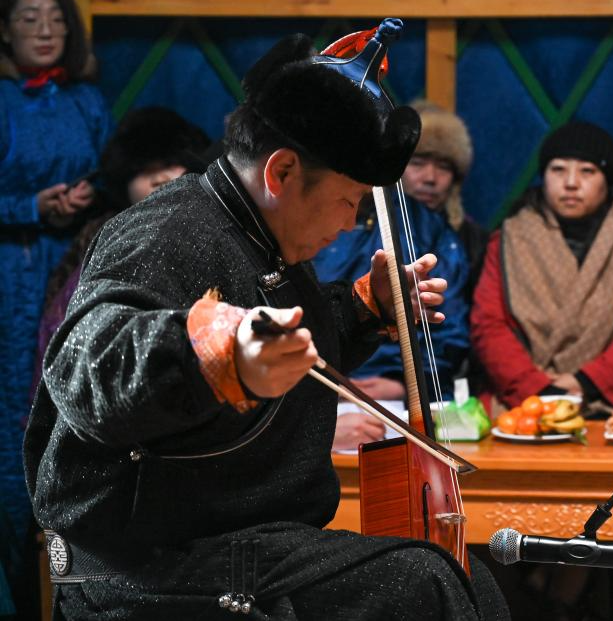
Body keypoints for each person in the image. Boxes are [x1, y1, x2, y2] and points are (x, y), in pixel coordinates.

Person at [24, 33, 506, 619]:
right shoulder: (166, 230)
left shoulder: (261, 234)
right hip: (147, 562)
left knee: (461, 576)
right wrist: (217, 352)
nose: (352, 224)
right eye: (350, 200)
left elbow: (285, 345)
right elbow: (83, 366)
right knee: (423, 585)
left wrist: (362, 309)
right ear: (282, 171)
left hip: (241, 540)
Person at [0, 0, 110, 615]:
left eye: (56, 20)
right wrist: (28, 205)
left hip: (68, 265)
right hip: (9, 268)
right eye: (29, 19)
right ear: (5, 31)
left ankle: (67, 587)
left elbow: (111, 171)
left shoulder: (86, 101)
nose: (45, 30)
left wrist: (85, 195)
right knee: (10, 411)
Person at [470, 121, 613, 414]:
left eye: (587, 171)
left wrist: (585, 382)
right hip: (524, 397)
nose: (571, 182)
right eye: (558, 169)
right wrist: (539, 390)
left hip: (610, 398)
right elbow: (488, 324)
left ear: (608, 181)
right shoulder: (511, 238)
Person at [31, 106, 210, 397]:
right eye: (143, 170)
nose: (160, 178)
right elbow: (61, 320)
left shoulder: (210, 230)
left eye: (170, 164)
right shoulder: (103, 236)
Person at [313, 192, 470, 450]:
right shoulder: (300, 228)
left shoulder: (426, 225)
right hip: (323, 399)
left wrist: (405, 385)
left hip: (399, 396)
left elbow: (450, 330)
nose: (349, 224)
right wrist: (325, 412)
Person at [401, 101, 487, 301]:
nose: (430, 178)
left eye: (443, 167)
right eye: (417, 163)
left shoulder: (473, 242)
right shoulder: (360, 226)